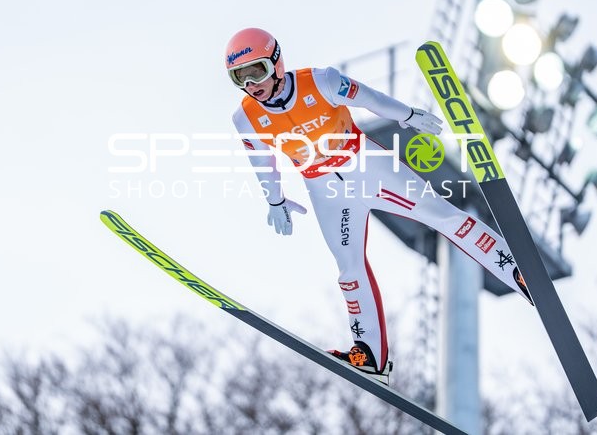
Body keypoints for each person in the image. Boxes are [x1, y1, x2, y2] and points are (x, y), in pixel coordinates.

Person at [227, 27, 531, 383]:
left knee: (443, 216)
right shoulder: (246, 117)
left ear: (276, 63)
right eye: (240, 77)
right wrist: (274, 199)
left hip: (365, 164)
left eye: (257, 71)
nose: (251, 84)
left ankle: (515, 269)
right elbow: (261, 161)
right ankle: (370, 354)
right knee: (348, 268)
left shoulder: (320, 81)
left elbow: (369, 98)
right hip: (324, 189)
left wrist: (407, 115)